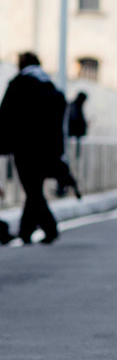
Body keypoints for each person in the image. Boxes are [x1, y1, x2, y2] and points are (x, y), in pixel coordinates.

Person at [0, 52, 66, 244]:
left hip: (25, 147)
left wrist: (3, 143)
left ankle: (49, 227)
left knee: (32, 188)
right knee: (34, 187)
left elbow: (5, 115)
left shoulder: (19, 84)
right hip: (48, 148)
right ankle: (26, 230)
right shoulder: (49, 84)